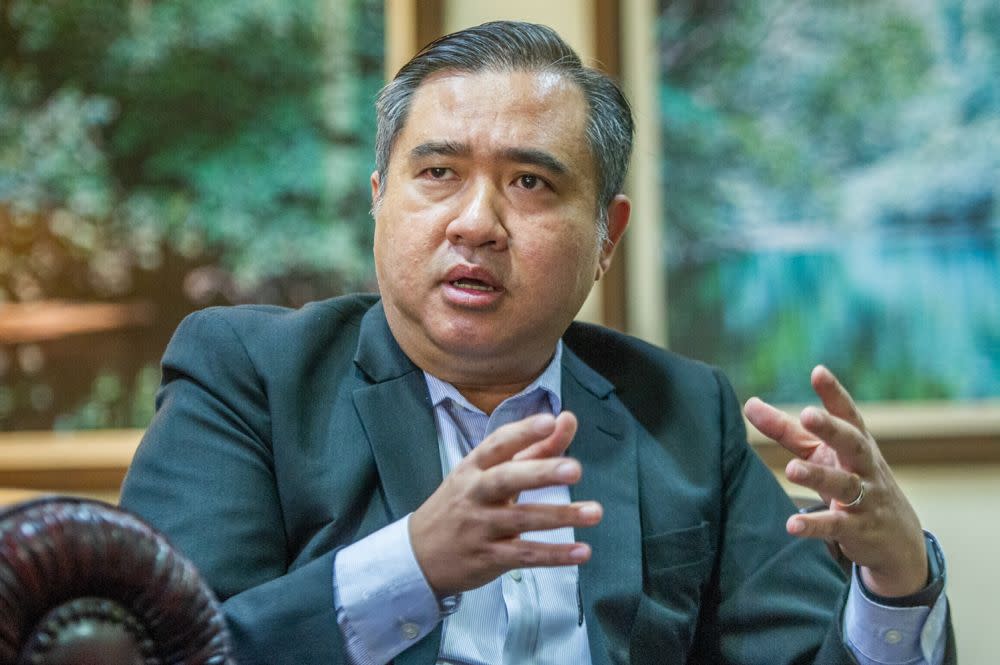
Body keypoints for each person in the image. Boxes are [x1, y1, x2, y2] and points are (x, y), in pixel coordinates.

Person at [119, 21, 954, 665]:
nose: (476, 222)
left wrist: (894, 577)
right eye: (438, 173)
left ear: (605, 235)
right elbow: (158, 647)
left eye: (530, 182)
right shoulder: (249, 376)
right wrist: (413, 564)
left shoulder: (682, 412)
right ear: (380, 200)